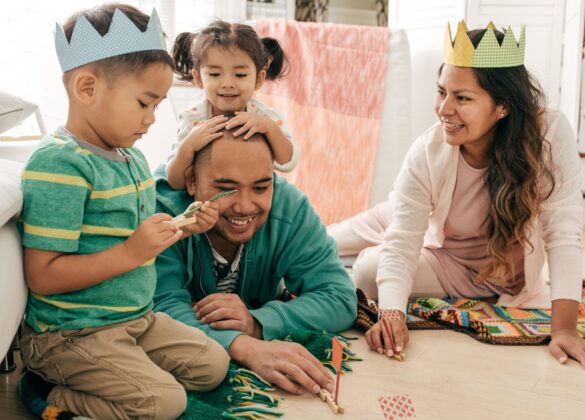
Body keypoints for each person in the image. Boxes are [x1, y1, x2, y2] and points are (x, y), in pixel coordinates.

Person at [19, 4, 229, 420]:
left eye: (158, 105)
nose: (151, 119)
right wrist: (133, 252)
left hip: (135, 319)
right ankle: (47, 390)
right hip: (71, 333)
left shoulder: (130, 157)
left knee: (213, 363)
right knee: (163, 404)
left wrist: (184, 223)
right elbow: (42, 275)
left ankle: (123, 369)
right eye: (144, 103)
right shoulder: (60, 165)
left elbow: (127, 234)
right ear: (87, 88)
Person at [329, 22, 585, 367]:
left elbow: (565, 229)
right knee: (349, 252)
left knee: (377, 245)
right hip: (446, 256)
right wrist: (391, 314)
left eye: (462, 98)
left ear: (503, 106)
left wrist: (565, 329)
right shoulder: (427, 151)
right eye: (441, 92)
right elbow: (403, 241)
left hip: (497, 274)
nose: (443, 109)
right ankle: (305, 242)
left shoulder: (550, 134)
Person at [154, 128, 357, 395]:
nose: (244, 206)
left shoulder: (290, 208)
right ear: (191, 181)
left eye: (261, 187)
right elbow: (159, 306)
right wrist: (245, 347)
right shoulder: (162, 212)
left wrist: (258, 322)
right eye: (226, 189)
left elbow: (340, 297)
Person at [166, 19, 299, 191]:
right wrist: (189, 146)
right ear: (198, 78)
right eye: (215, 74)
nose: (227, 83)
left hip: (251, 199)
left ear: (258, 79)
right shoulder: (193, 119)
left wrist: (270, 129)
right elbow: (174, 181)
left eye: (240, 75)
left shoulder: (264, 118)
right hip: (207, 201)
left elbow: (288, 162)